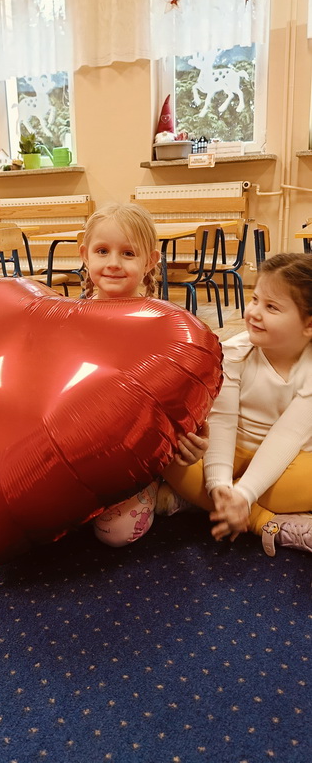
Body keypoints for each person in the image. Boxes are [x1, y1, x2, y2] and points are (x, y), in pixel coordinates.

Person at [161, 252, 312, 556]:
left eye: (271, 307)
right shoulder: (234, 352)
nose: (254, 312)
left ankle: (206, 502)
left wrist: (243, 493)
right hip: (229, 451)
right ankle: (264, 521)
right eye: (255, 299)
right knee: (169, 451)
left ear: (308, 325)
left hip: (290, 462)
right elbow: (222, 421)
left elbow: (287, 437)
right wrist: (219, 484)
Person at [79, 202, 209, 546]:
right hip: (83, 444)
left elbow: (187, 391)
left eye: (128, 253)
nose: (113, 263)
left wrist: (196, 436)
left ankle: (168, 490)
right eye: (102, 251)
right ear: (84, 254)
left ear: (150, 261)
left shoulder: (166, 325)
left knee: (115, 532)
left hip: (139, 453)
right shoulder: (68, 317)